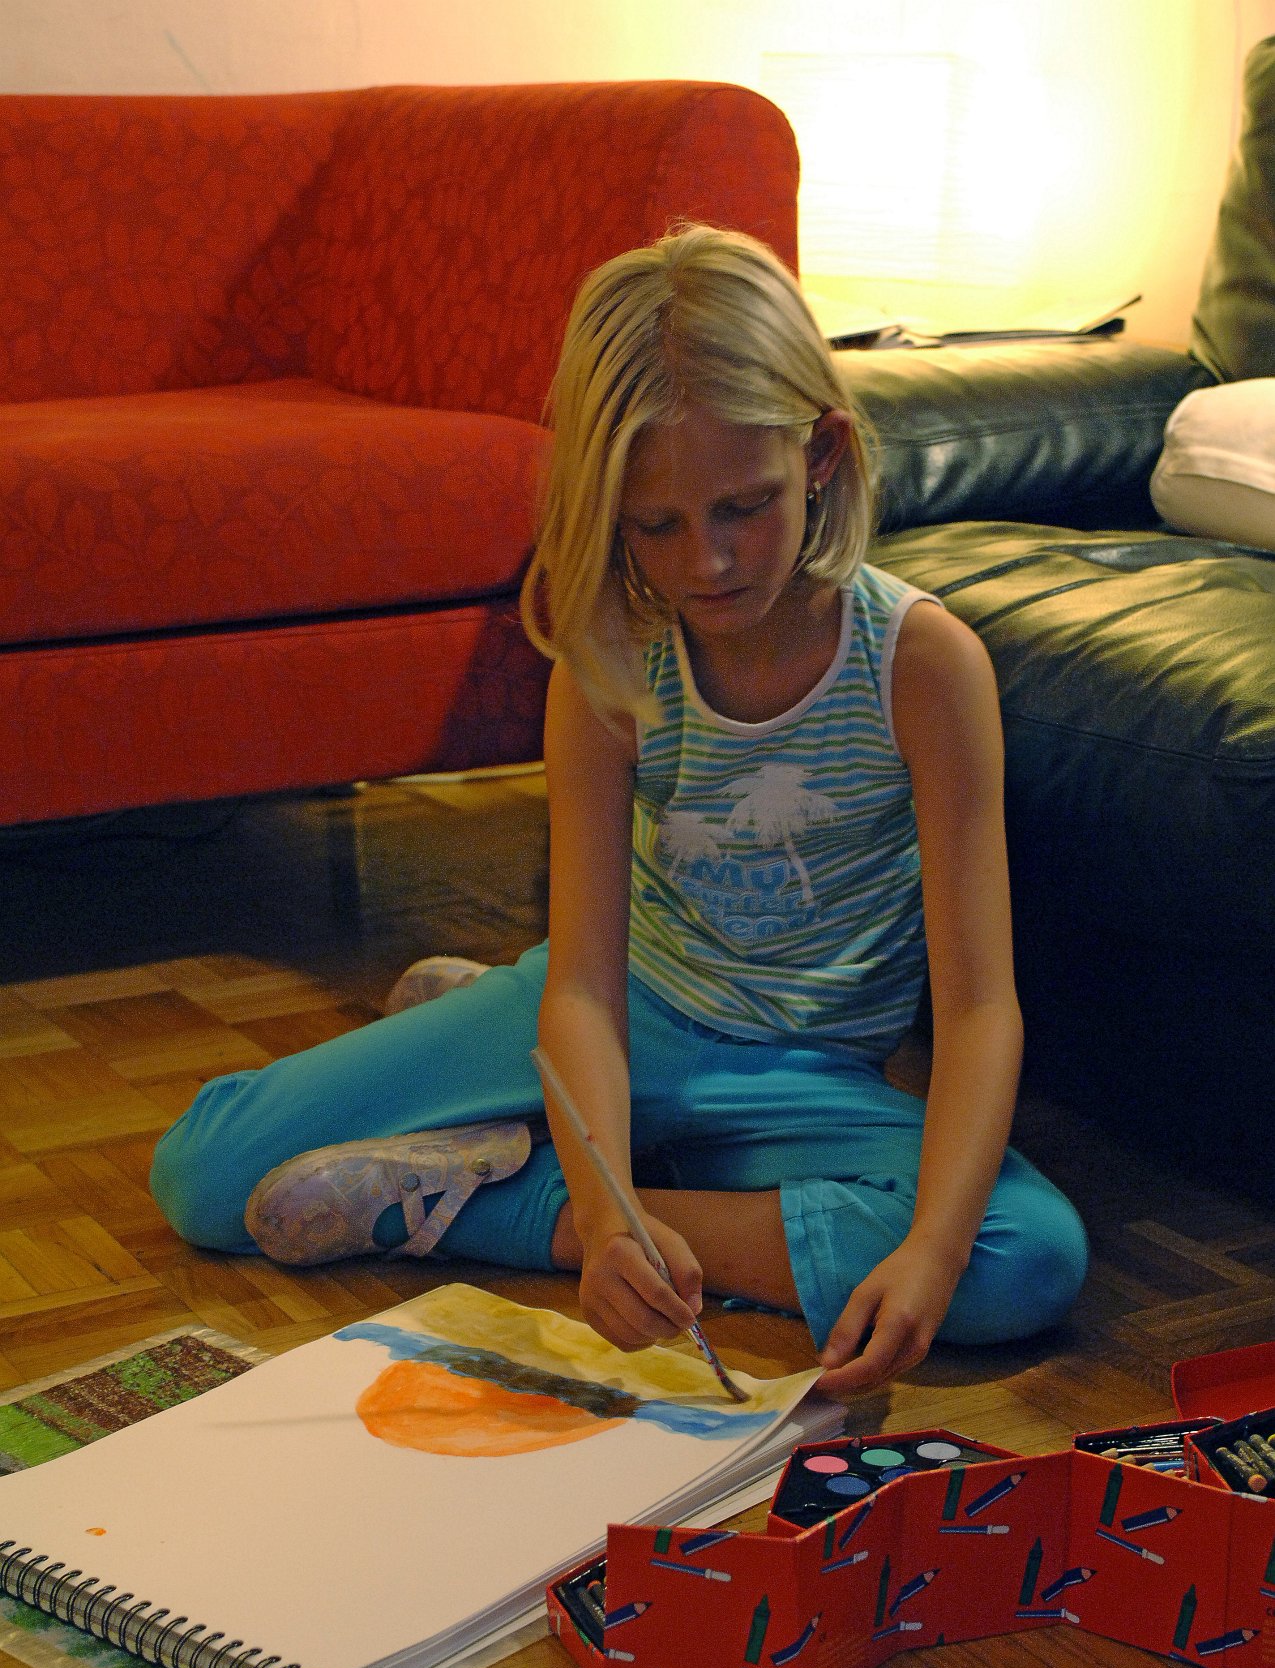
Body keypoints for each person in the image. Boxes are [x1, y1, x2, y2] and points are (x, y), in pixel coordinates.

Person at [150, 224, 1088, 1397]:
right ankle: (535, 1092)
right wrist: (606, 1225)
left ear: (822, 454)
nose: (711, 562)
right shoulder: (609, 659)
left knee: (1021, 1258)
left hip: (804, 1087)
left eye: (744, 506)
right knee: (204, 1173)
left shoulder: (925, 667)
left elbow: (980, 1008)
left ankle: (503, 1192)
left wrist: (928, 1254)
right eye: (659, 525)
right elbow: (588, 987)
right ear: (610, 509)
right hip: (619, 1016)